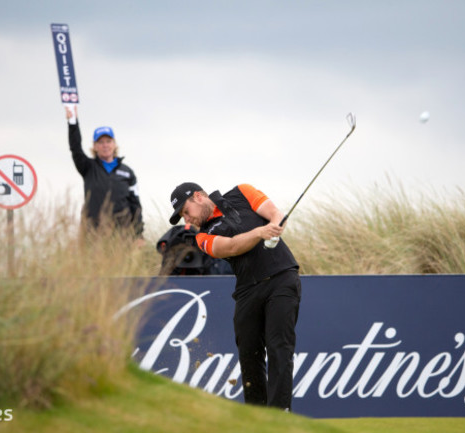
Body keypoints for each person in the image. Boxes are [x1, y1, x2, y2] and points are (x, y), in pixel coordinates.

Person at [168, 182, 301, 411]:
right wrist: (260, 232)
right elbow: (230, 247)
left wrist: (275, 226)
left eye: (186, 212)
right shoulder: (202, 237)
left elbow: (274, 214)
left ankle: (280, 415)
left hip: (281, 278)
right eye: (182, 217)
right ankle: (256, 418)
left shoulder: (242, 192)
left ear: (198, 197)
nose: (187, 221)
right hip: (248, 290)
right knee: (250, 354)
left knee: (279, 347)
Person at [65, 106, 143, 238]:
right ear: (95, 147)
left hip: (122, 235)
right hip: (93, 234)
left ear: (114, 144)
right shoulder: (88, 167)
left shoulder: (128, 173)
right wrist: (73, 122)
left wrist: (139, 234)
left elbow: (135, 205)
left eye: (108, 141)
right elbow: (75, 148)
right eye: (100, 142)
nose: (105, 145)